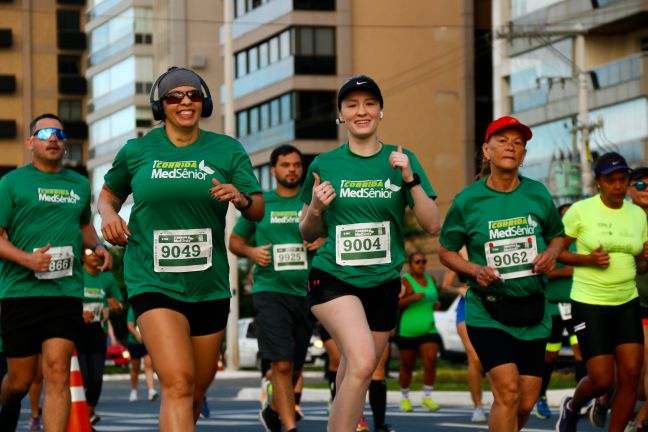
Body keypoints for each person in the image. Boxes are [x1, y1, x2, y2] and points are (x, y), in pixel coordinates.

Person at [98, 67, 263, 431]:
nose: (185, 101)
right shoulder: (138, 151)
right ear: (161, 106)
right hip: (152, 279)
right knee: (177, 382)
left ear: (204, 102)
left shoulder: (227, 149)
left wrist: (240, 198)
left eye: (193, 95)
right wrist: (108, 215)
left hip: (209, 285)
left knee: (195, 391)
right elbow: (109, 194)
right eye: (174, 96)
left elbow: (258, 207)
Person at [299, 75, 440, 432]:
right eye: (352, 105)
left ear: (380, 111)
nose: (361, 111)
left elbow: (432, 224)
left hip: (383, 282)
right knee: (362, 364)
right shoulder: (324, 165)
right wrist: (315, 209)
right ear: (341, 115)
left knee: (353, 372)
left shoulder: (402, 160)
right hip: (333, 276)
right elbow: (306, 231)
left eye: (368, 104)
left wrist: (410, 178)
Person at [439, 116, 565, 432]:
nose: (511, 146)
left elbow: (558, 235)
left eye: (518, 142)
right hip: (488, 310)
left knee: (524, 403)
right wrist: (474, 269)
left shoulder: (537, 194)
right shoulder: (468, 200)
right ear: (487, 150)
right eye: (503, 140)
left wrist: (551, 254)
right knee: (507, 391)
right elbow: (446, 251)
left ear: (523, 154)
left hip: (534, 310)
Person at [0, 113, 112, 432]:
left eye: (60, 135)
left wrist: (99, 246)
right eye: (46, 133)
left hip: (64, 291)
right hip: (21, 292)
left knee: (58, 370)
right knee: (19, 382)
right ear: (30, 142)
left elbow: (84, 226)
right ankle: (8, 406)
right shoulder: (11, 183)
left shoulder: (78, 184)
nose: (53, 139)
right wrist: (26, 259)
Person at [230, 144, 322, 432]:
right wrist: (251, 253)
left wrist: (321, 242)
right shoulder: (262, 205)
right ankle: (290, 426)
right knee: (281, 365)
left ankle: (272, 409)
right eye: (285, 165)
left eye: (296, 164)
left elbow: (331, 237)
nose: (292, 169)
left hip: (306, 293)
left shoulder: (312, 204)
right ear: (273, 170)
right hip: (270, 291)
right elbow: (234, 241)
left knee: (294, 367)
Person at [555, 153, 648, 432]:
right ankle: (572, 407)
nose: (618, 186)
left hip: (627, 302)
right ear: (598, 182)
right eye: (611, 181)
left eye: (622, 180)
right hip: (590, 303)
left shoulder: (637, 215)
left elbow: (640, 265)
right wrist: (587, 260)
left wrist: (645, 259)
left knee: (631, 376)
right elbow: (556, 251)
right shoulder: (581, 211)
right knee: (603, 380)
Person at [532, 203, 584, 420]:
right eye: (564, 216)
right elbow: (541, 271)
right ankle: (540, 396)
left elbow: (583, 268)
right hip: (552, 307)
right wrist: (566, 271)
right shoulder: (548, 243)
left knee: (580, 351)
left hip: (575, 305)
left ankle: (581, 400)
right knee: (549, 355)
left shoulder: (579, 244)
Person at [78, 247, 123, 425]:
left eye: (97, 253)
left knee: (96, 380)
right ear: (81, 257)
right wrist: (80, 312)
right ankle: (78, 415)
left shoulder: (107, 277)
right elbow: (66, 300)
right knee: (83, 377)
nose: (95, 256)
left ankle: (88, 416)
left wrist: (115, 305)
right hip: (77, 332)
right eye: (89, 252)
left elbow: (119, 303)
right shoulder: (77, 275)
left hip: (98, 331)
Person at [442, 254, 487, 423]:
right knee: (474, 358)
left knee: (494, 358)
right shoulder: (458, 253)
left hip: (492, 305)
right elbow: (446, 285)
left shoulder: (486, 241)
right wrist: (459, 289)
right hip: (467, 306)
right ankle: (478, 407)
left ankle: (502, 401)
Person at [397, 252, 441, 413]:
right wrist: (413, 298)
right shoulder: (405, 282)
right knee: (407, 365)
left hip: (429, 328)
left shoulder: (431, 280)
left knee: (431, 360)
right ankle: (405, 398)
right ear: (410, 265)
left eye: (424, 261)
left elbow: (435, 299)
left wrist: (436, 303)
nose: (421, 264)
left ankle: (427, 397)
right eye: (417, 262)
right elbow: (397, 304)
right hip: (408, 330)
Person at [628, 167, 648, 430]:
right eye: (641, 185)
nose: (647, 190)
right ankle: (602, 399)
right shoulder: (625, 219)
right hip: (632, 302)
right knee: (639, 381)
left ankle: (639, 421)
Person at [126, 306, 157, 402]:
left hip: (147, 342)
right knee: (135, 367)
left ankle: (151, 390)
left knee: (149, 364)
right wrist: (137, 334)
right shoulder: (132, 308)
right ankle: (133, 391)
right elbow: (130, 325)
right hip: (134, 342)